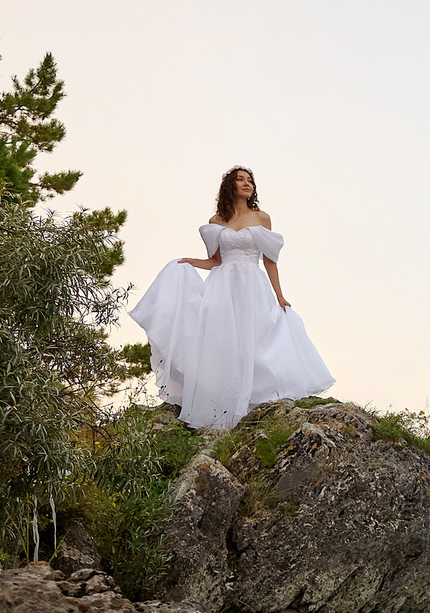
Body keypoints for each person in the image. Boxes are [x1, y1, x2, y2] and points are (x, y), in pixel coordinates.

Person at [128, 165, 335, 428]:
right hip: (222, 286)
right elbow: (215, 261)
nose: (247, 184)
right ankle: (221, 404)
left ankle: (254, 399)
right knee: (222, 340)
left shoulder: (261, 218)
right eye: (241, 180)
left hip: (252, 285)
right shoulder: (216, 221)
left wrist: (280, 296)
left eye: (250, 180)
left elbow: (270, 260)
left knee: (254, 339)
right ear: (230, 185)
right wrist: (191, 262)